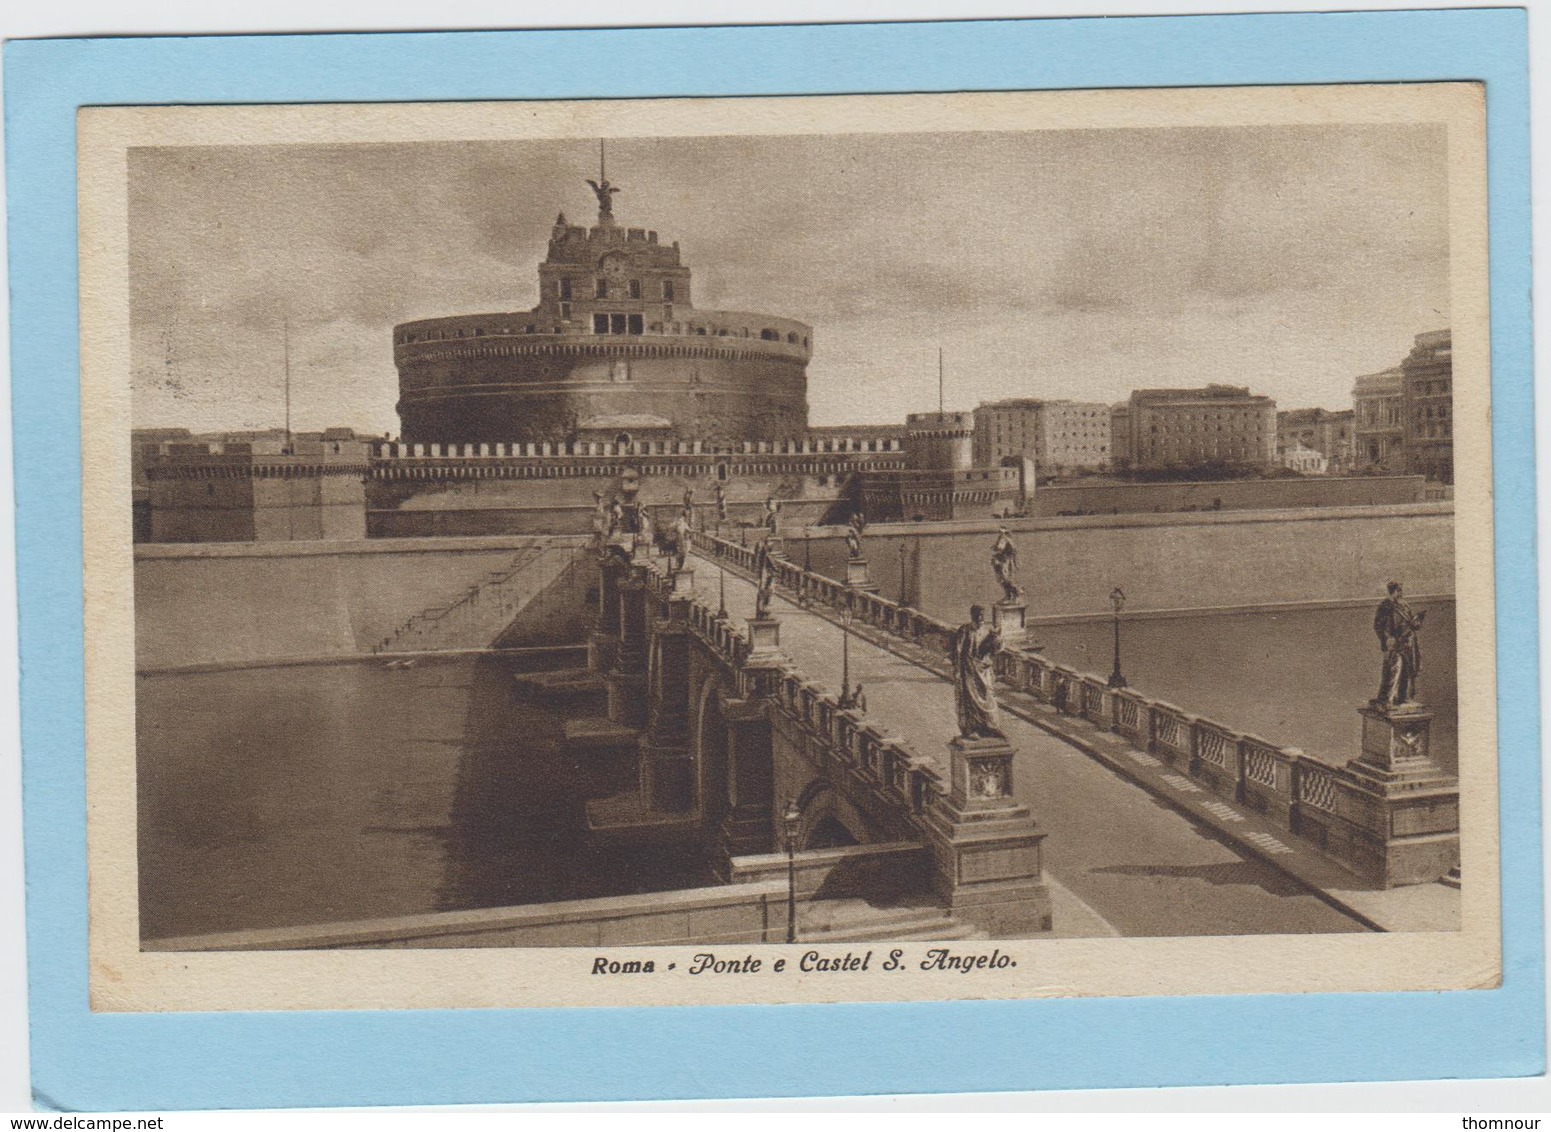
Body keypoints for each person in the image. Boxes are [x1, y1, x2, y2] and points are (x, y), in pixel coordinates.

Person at [950, 605, 1004, 740]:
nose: (980, 618)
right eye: (977, 615)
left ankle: (991, 727)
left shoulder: (987, 631)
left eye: (982, 615)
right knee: (970, 701)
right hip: (969, 671)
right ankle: (971, 729)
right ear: (972, 615)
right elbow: (957, 650)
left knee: (988, 697)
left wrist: (997, 642)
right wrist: (957, 670)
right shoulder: (965, 630)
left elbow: (996, 648)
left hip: (984, 670)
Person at [1373, 580, 1426, 707]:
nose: (1401, 593)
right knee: (1393, 670)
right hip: (1395, 643)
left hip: (1408, 642)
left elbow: (1410, 622)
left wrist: (1416, 622)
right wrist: (1387, 639)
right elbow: (1378, 626)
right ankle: (1386, 699)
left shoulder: (1404, 605)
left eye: (1401, 590)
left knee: (1406, 671)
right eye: (1399, 590)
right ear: (1393, 591)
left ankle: (1402, 697)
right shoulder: (1385, 606)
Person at [991, 526, 1022, 602]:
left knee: (1005, 579)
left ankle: (1014, 594)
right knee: (1004, 579)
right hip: (1006, 561)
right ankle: (1009, 596)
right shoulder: (1008, 539)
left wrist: (994, 548)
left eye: (1001, 532)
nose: (1000, 533)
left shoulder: (1004, 539)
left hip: (1005, 561)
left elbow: (999, 549)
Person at [752, 537, 774, 619]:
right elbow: (769, 568)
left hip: (765, 578)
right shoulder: (766, 556)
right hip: (766, 579)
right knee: (766, 593)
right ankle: (763, 611)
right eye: (769, 545)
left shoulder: (763, 555)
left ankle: (761, 611)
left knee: (764, 594)